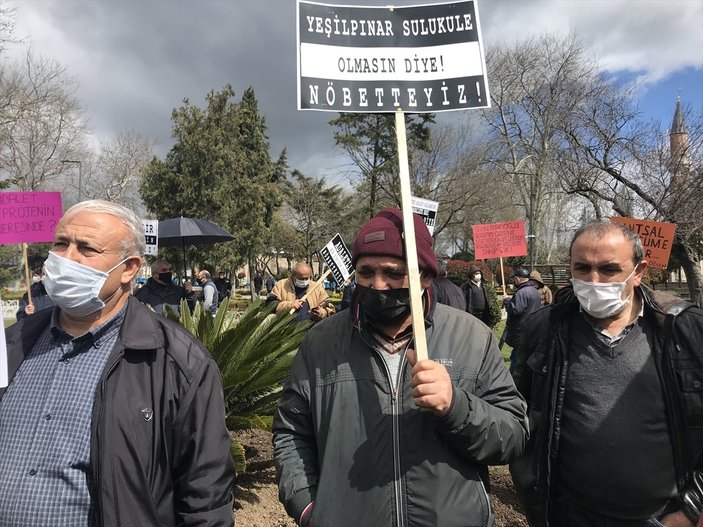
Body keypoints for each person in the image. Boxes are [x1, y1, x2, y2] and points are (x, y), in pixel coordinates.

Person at [273, 208, 528, 527]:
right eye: (366, 271)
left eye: (393, 272)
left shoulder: (472, 338)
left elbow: (513, 436)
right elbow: (291, 431)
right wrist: (307, 506)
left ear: (426, 276)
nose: (378, 285)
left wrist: (455, 407)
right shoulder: (321, 342)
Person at [1, 200, 234, 526]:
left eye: (86, 249)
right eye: (61, 243)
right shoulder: (13, 344)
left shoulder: (179, 363)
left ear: (128, 268)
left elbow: (205, 497)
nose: (65, 258)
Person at [510, 221, 703, 527]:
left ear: (638, 272)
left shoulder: (684, 329)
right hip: (569, 513)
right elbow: (515, 410)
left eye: (609, 269)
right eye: (582, 268)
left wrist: (693, 508)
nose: (594, 280)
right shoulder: (545, 328)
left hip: (662, 516)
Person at [503, 267, 541, 373]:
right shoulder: (534, 291)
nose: (514, 281)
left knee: (517, 359)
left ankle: (513, 381)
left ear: (519, 279)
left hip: (521, 330)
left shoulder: (521, 293)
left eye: (515, 279)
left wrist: (507, 301)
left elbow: (515, 310)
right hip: (532, 329)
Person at [269, 263, 335, 323]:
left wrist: (321, 313)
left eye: (307, 278)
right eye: (301, 279)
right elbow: (270, 305)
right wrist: (289, 305)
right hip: (287, 330)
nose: (304, 281)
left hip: (311, 330)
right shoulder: (281, 285)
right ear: (293, 275)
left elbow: (329, 307)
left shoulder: (317, 287)